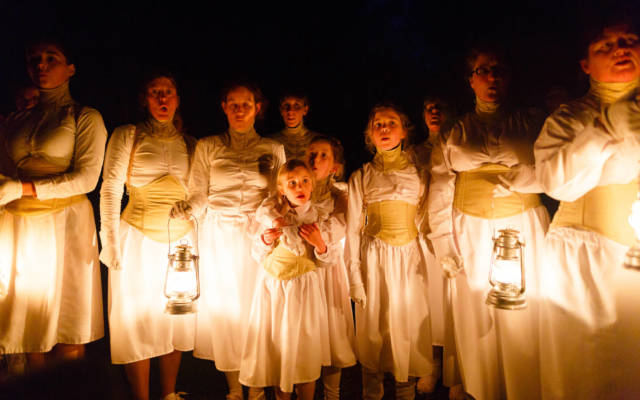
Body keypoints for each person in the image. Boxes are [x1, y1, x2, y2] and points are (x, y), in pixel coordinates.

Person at [428, 46, 549, 400]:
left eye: (499, 69)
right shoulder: (455, 129)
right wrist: (443, 242)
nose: (492, 77)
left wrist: (524, 181)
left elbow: (552, 172)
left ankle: (524, 387)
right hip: (470, 230)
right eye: (483, 70)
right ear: (471, 80)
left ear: (509, 77)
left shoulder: (532, 121)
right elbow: (439, 185)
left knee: (523, 312)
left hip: (523, 226)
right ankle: (482, 387)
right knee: (476, 309)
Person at [534, 20, 640, 399]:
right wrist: (606, 129)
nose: (620, 49)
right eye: (605, 45)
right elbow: (557, 182)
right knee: (590, 373)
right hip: (584, 263)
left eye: (629, 40)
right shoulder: (569, 119)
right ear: (585, 64)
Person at [171, 83, 285, 400]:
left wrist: (271, 227)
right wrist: (186, 209)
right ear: (223, 106)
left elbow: (279, 195)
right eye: (232, 103)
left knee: (256, 309)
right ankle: (234, 386)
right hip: (218, 234)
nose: (239, 109)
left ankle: (257, 382)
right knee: (225, 310)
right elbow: (198, 193)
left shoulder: (273, 148)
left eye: (245, 104)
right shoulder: (208, 146)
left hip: (257, 235)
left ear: (257, 108)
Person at [0, 39, 106, 369]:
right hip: (20, 226)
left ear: (70, 68)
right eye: (34, 60)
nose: (41, 65)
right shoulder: (15, 121)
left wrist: (24, 187)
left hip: (66, 223)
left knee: (66, 320)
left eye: (51, 58)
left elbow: (87, 179)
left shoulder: (84, 117)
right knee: (31, 322)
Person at [100, 72, 196, 400]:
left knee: (175, 319)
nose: (162, 99)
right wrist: (109, 241)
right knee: (136, 321)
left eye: (168, 92)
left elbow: (199, 193)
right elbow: (111, 188)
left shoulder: (190, 143)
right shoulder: (128, 135)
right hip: (136, 239)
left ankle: (169, 393)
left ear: (177, 99)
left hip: (179, 241)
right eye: (155, 93)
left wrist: (192, 213)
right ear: (145, 99)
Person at [345, 104, 433, 400]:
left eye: (391, 123)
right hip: (375, 258)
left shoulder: (419, 172)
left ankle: (405, 389)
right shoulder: (363, 175)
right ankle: (372, 389)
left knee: (406, 322)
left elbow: (425, 219)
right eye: (378, 124)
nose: (384, 128)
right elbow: (353, 229)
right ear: (370, 135)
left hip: (409, 258)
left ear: (404, 131)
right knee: (375, 327)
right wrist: (355, 277)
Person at [240, 159, 333, 400]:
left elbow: (328, 259)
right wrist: (266, 241)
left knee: (303, 351)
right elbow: (256, 254)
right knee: (278, 348)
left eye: (304, 182)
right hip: (274, 288)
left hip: (303, 290)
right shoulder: (273, 216)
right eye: (292, 183)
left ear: (312, 186)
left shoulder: (318, 217)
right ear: (282, 189)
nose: (299, 187)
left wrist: (320, 244)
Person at [411, 96, 451, 395]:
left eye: (440, 106)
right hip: (424, 229)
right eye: (429, 108)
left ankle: (458, 368)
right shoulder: (415, 152)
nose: (435, 112)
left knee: (456, 299)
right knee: (432, 297)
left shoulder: (460, 143)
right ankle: (433, 363)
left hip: (457, 225)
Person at [270, 91, 318, 160]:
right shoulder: (271, 142)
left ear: (305, 110)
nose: (290, 111)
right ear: (281, 110)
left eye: (296, 105)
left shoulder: (319, 141)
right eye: (286, 105)